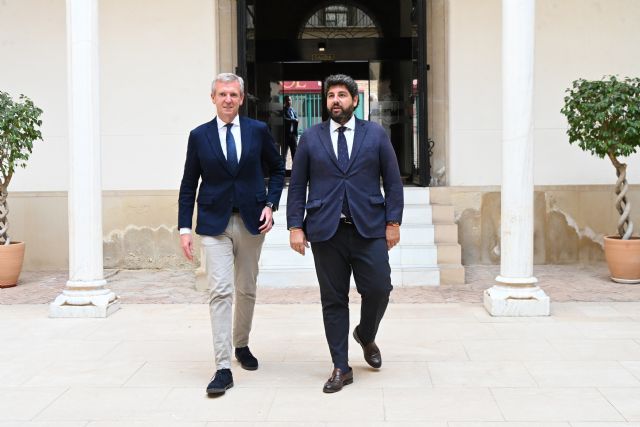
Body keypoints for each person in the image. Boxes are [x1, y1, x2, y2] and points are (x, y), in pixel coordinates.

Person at [286, 74, 403, 393]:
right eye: (330, 96)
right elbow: (297, 186)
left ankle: (366, 334)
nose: (335, 100)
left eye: (341, 95)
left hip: (368, 228)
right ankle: (341, 366)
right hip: (326, 231)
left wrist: (393, 222)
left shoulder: (375, 134)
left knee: (380, 287)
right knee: (333, 299)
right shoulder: (311, 138)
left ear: (354, 100)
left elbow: (392, 182)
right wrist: (296, 226)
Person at [178, 72, 285, 396]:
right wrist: (184, 227)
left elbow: (277, 169)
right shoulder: (199, 136)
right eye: (222, 94)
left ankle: (242, 344)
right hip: (214, 224)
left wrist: (271, 204)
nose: (227, 100)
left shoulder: (258, 131)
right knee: (221, 291)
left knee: (246, 288)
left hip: (252, 222)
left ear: (241, 99)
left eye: (233, 95)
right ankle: (223, 366)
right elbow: (188, 184)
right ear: (213, 98)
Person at [282, 95, 299, 162]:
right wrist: (293, 120)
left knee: (295, 154)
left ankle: (295, 170)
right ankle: (283, 171)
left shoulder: (292, 110)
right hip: (286, 135)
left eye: (290, 100)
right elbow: (285, 120)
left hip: (293, 135)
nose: (289, 101)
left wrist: (296, 135)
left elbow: (297, 120)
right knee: (284, 154)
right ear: (285, 101)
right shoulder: (283, 110)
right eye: (288, 100)